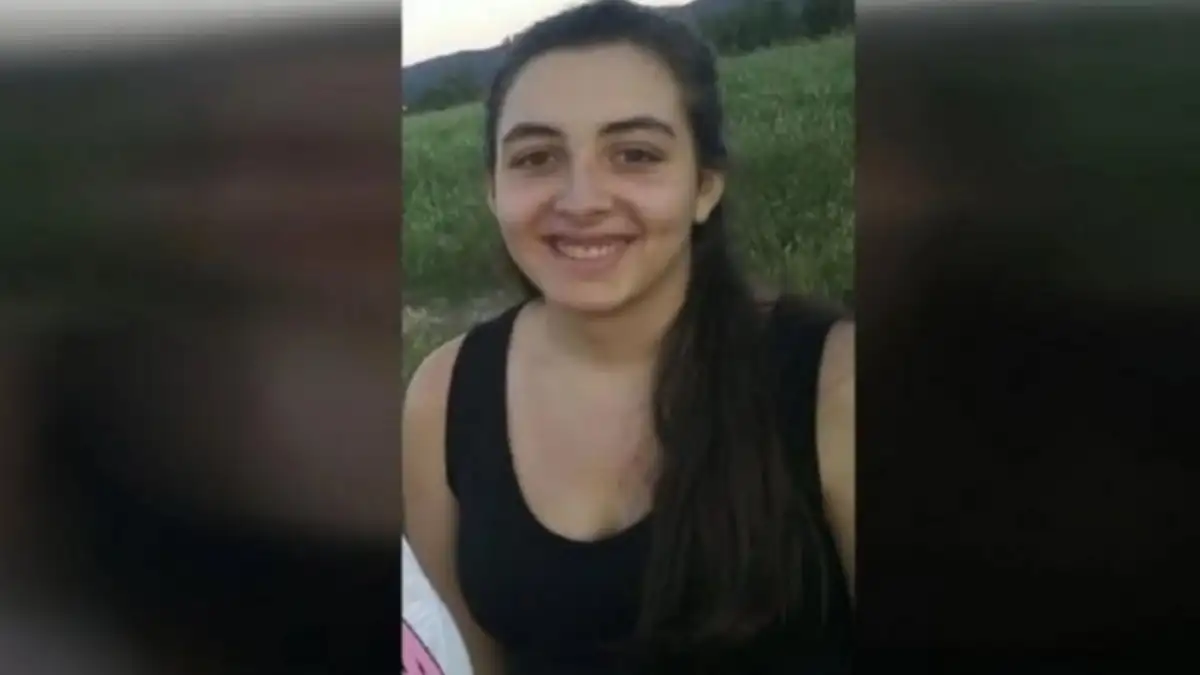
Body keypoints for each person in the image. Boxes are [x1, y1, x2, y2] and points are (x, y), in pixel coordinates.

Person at [402, 1, 854, 673]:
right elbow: (466, 657)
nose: (581, 199)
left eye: (635, 154)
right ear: (493, 190)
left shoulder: (834, 385)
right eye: (536, 157)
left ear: (704, 186)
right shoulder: (441, 398)